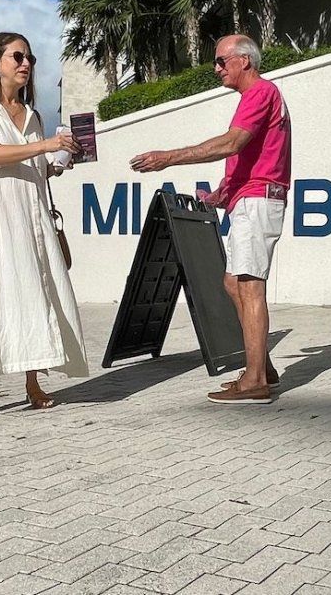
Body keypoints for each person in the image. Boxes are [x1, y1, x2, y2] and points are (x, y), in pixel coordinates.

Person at [131, 34, 290, 405]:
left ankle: (255, 383)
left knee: (249, 285)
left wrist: (169, 157)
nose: (216, 68)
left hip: (257, 200)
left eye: (221, 61)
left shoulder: (260, 93)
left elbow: (232, 143)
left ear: (245, 61)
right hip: (247, 198)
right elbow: (250, 152)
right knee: (233, 283)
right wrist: (224, 191)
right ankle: (261, 367)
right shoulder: (257, 97)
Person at [0, 32, 89, 431]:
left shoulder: (34, 115)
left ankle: (32, 381)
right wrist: (43, 146)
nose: (26, 64)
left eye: (30, 58)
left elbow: (36, 166)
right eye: (17, 56)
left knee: (33, 290)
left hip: (30, 214)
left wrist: (59, 159)